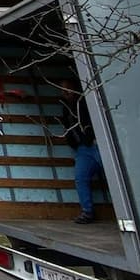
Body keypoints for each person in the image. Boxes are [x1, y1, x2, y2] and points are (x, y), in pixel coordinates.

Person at [59, 82, 103, 224]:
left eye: (68, 88)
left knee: (116, 177)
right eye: (63, 90)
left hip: (98, 145)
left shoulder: (86, 102)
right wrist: (73, 143)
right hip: (83, 149)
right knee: (80, 178)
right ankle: (87, 212)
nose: (66, 92)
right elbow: (68, 127)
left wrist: (93, 136)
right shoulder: (65, 108)